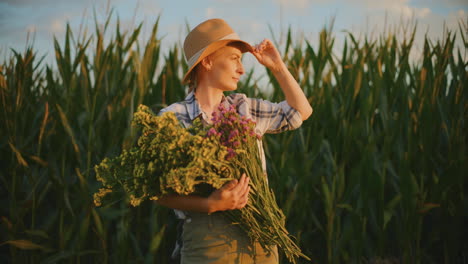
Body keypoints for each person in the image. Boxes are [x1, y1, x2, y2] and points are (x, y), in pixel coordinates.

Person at [156, 18, 313, 264]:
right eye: (234, 58)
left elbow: (300, 112)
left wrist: (278, 67)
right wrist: (209, 204)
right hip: (208, 241)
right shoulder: (172, 118)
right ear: (207, 61)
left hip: (261, 235)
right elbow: (157, 192)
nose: (242, 69)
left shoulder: (244, 107)